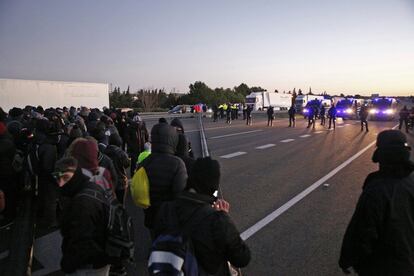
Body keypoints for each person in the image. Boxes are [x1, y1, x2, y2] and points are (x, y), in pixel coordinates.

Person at [154, 157, 251, 275]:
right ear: (214, 185)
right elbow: (242, 258)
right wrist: (224, 216)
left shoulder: (165, 209)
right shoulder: (217, 219)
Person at [339, 130, 414, 275]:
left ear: (381, 155)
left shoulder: (377, 190)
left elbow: (362, 232)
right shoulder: (410, 181)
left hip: (383, 265)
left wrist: (348, 259)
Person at [54, 157, 110, 275]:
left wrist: (68, 264)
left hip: (90, 263)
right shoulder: (91, 187)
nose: (61, 183)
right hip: (100, 256)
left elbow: (82, 241)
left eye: (66, 178)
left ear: (76, 175)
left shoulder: (82, 204)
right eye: (58, 178)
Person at [142, 123, 187, 237]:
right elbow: (180, 194)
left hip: (150, 214)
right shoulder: (177, 164)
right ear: (172, 139)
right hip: (170, 217)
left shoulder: (144, 163)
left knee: (154, 241)